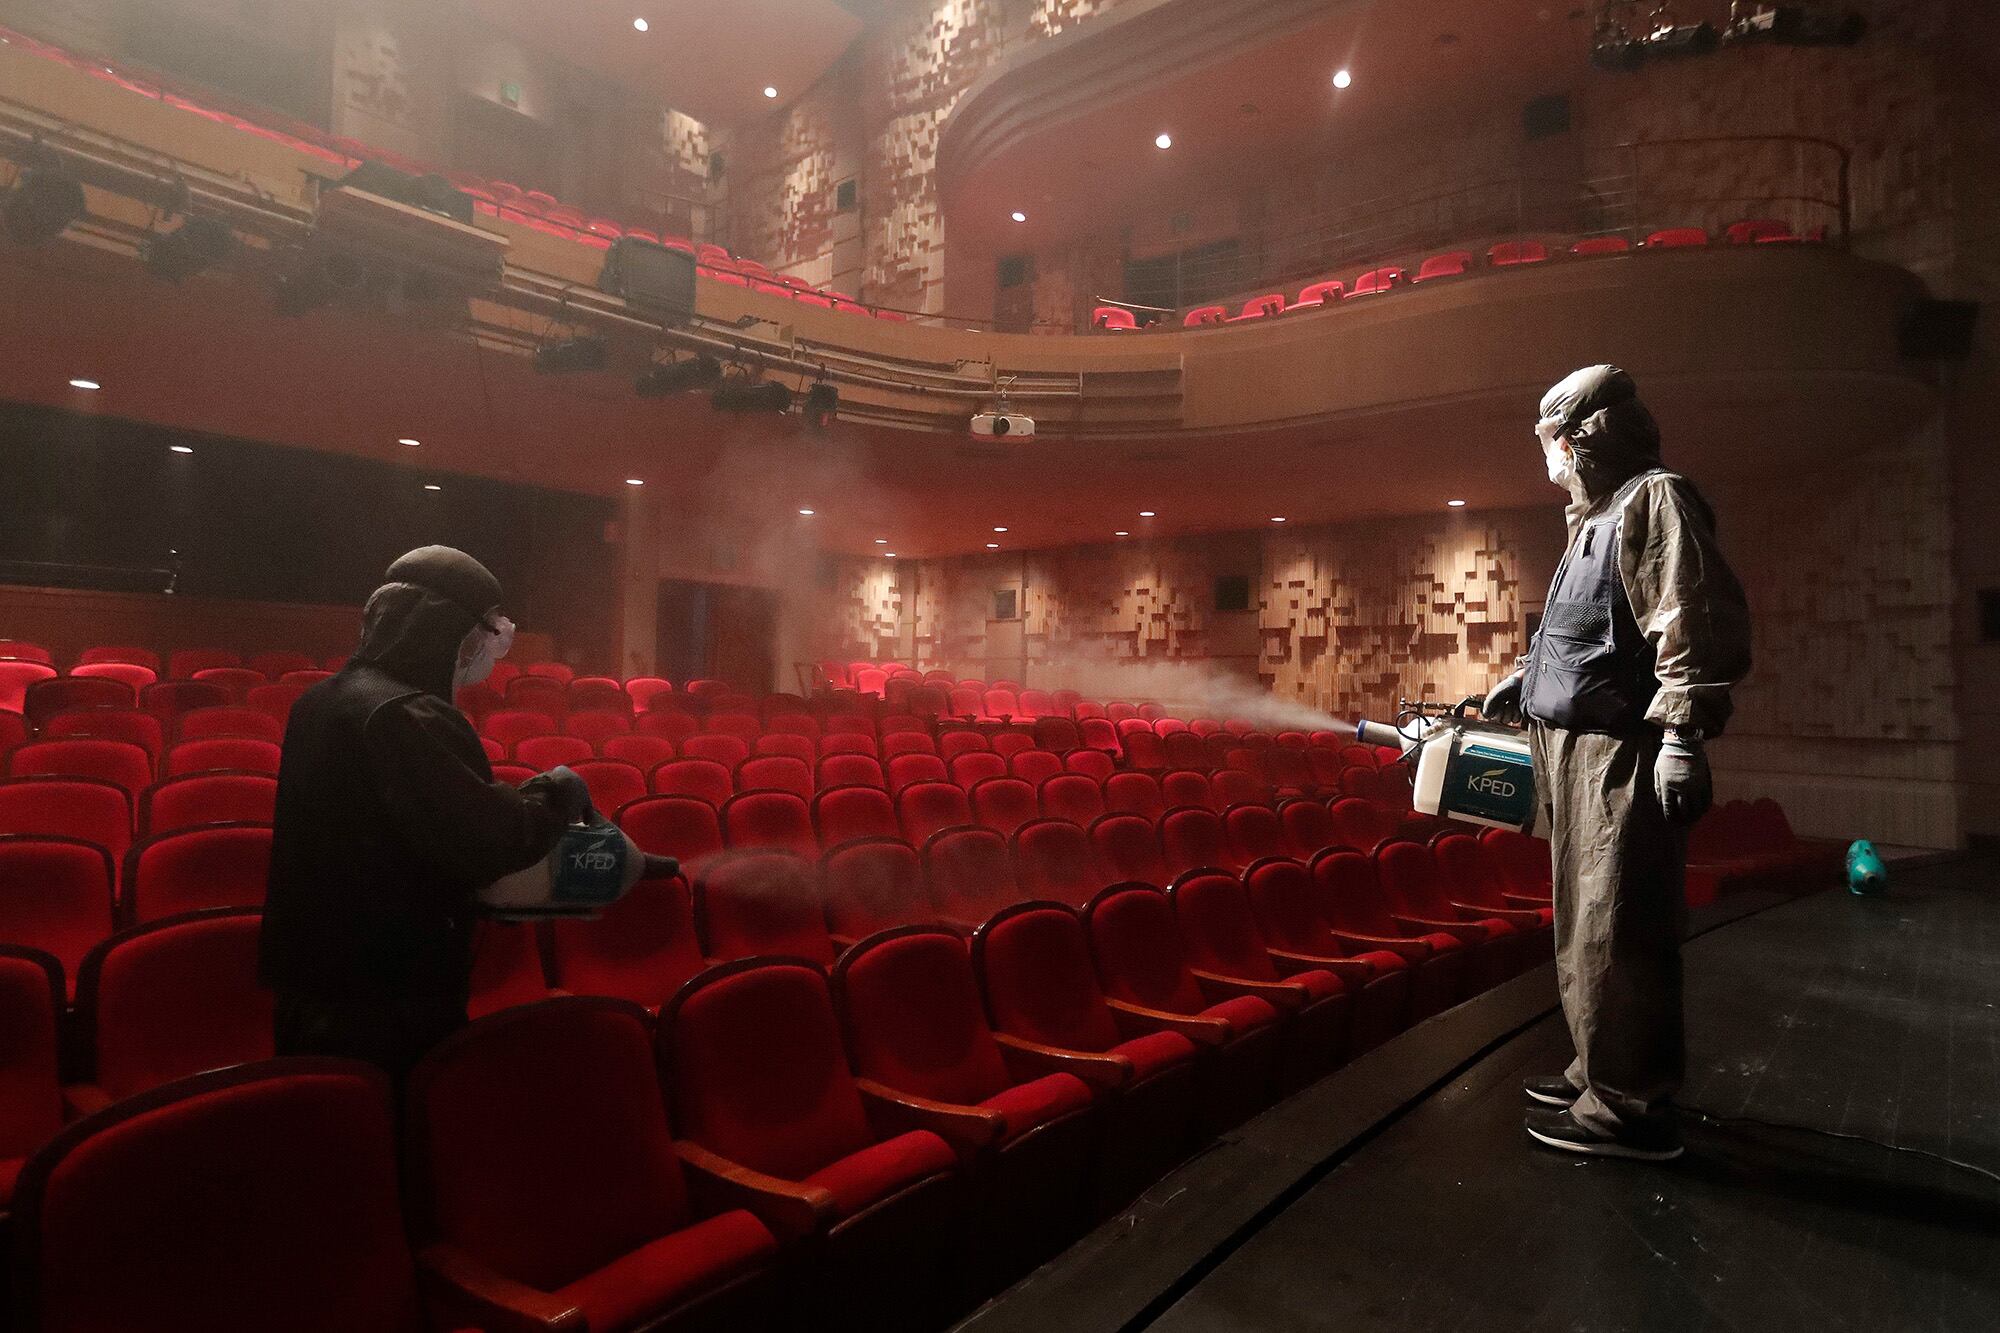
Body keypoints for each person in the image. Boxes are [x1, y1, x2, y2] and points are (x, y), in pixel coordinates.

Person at [1482, 366, 1751, 1161]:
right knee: (1583, 922)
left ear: (1581, 440)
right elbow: (1588, 628)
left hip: (1619, 754)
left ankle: (1627, 1106)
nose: (1548, 457)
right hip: (1573, 753)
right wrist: (1526, 678)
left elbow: (1688, 622)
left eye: (1553, 442)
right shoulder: (1594, 516)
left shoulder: (1653, 500)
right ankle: (1597, 1068)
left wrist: (1681, 737)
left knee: (1619, 924)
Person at [258, 546, 591, 1080]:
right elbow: (488, 842)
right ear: (450, 634)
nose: (487, 652)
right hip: (388, 995)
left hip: (312, 981)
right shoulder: (407, 714)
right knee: (395, 1137)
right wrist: (557, 793)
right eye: (488, 636)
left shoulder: (320, 700)